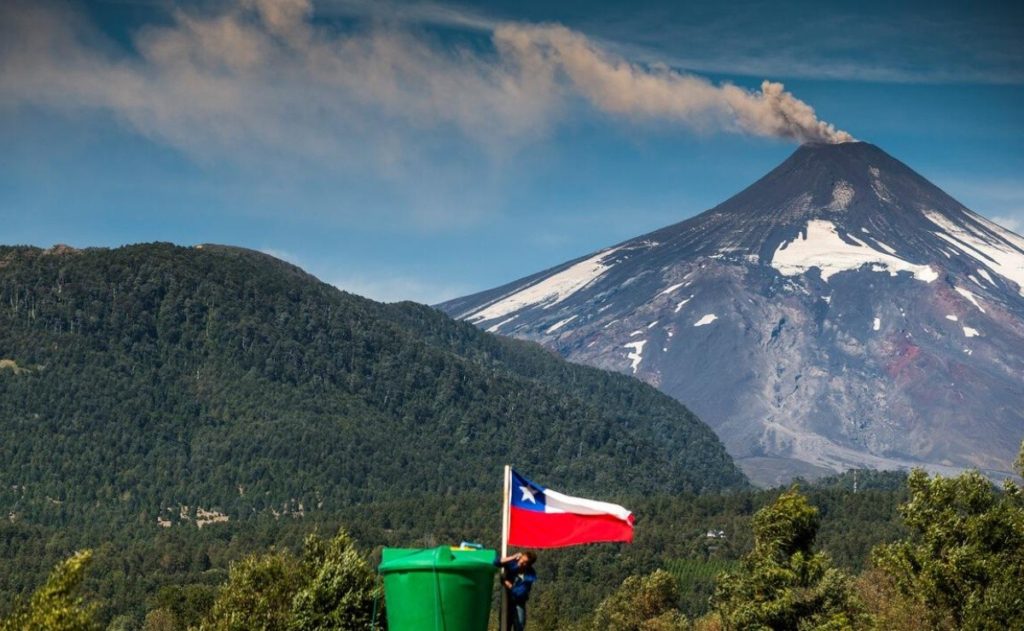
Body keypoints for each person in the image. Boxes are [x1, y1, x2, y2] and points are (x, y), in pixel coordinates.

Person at [496, 550, 537, 631]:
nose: (521, 562)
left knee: (519, 626)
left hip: (519, 603)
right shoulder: (513, 563)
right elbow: (496, 562)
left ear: (529, 565)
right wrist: (513, 557)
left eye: (525, 562)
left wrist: (508, 584)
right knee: (504, 625)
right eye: (521, 559)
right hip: (507, 601)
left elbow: (520, 593)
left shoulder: (530, 575)